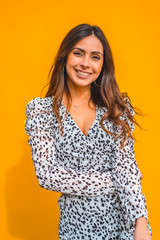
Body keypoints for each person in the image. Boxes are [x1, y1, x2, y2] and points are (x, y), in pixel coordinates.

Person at [25, 23, 152, 239]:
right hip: (75, 228)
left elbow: (126, 166)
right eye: (78, 53)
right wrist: (115, 181)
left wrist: (141, 223)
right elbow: (47, 175)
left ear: (103, 64)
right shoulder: (42, 111)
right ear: (65, 57)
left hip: (124, 224)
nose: (85, 63)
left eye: (95, 57)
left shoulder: (116, 110)